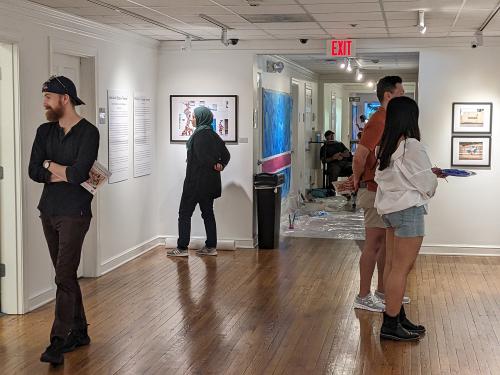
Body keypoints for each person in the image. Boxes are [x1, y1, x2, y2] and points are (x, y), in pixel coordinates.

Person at [29, 75, 99, 365]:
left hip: (76, 212)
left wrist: (53, 167)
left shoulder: (89, 132)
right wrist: (57, 169)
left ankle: (58, 341)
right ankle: (80, 331)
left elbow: (79, 173)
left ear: (64, 98)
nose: (44, 102)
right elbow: (34, 171)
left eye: (48, 96)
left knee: (62, 275)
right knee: (66, 275)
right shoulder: (44, 131)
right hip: (49, 210)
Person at [375, 96, 439, 341]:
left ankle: (397, 316)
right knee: (401, 268)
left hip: (390, 211)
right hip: (408, 211)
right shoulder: (412, 145)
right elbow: (426, 182)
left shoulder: (386, 145)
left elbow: (394, 178)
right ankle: (391, 324)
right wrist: (432, 183)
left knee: (393, 267)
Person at [352, 76, 405, 312]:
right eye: (400, 94)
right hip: (372, 190)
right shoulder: (378, 121)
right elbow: (360, 155)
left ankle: (383, 291)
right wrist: (356, 179)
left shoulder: (389, 120)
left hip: (383, 191)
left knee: (383, 244)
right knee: (372, 244)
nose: (403, 99)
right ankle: (363, 295)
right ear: (388, 95)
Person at [168, 106, 230, 257]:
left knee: (184, 214)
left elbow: (202, 158)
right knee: (208, 213)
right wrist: (219, 164)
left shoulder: (199, 136)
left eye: (194, 117)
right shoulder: (213, 135)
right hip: (209, 184)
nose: (192, 119)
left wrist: (211, 163)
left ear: (201, 117)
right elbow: (226, 155)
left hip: (195, 182)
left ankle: (182, 248)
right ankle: (211, 246)